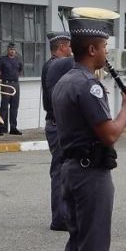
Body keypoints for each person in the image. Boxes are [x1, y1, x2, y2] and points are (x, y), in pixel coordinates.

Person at [52, 16, 126, 251]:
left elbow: (98, 129)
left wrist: (123, 120)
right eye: (104, 47)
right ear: (91, 49)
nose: (106, 53)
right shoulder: (88, 84)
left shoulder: (64, 80)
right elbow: (108, 134)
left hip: (74, 170)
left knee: (77, 249)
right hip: (90, 176)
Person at [41, 31, 74, 232]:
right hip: (57, 125)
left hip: (56, 124)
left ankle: (64, 214)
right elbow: (75, 60)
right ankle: (60, 218)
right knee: (60, 171)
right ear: (62, 47)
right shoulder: (56, 64)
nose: (71, 49)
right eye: (70, 45)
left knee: (62, 170)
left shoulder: (53, 65)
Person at [0, 42, 23, 135]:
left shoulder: (18, 60)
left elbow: (20, 71)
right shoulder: (3, 60)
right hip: (6, 85)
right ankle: (1, 128)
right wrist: (4, 78)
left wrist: (14, 77)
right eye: (11, 49)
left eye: (14, 49)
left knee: (15, 107)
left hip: (15, 84)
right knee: (4, 107)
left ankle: (13, 128)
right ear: (8, 50)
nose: (12, 51)